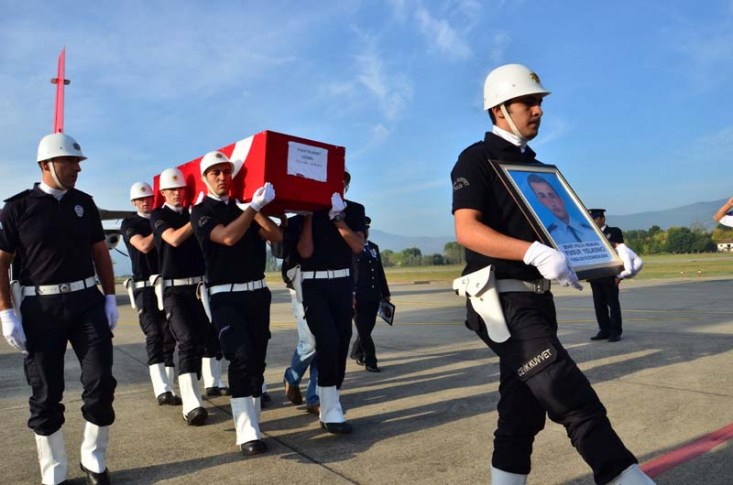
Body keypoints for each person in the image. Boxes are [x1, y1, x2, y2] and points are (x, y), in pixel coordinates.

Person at [450, 64, 654, 484]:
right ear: (500, 108)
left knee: (521, 414)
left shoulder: (538, 169)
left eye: (539, 102)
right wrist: (530, 251)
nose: (538, 110)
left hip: (537, 300)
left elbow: (569, 232)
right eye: (529, 102)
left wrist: (613, 254)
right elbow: (467, 229)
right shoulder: (476, 159)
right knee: (571, 398)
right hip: (501, 301)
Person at [0, 133, 117, 485]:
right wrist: (6, 312)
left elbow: (100, 252)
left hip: (87, 303)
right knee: (46, 391)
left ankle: (93, 458)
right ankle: (54, 471)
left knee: (101, 382)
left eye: (78, 163)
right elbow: (1, 262)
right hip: (40, 308)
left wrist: (110, 297)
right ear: (46, 164)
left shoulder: (84, 204)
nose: (77, 169)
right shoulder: (17, 207)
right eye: (70, 162)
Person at [191, 151, 282, 455]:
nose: (222, 177)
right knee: (240, 357)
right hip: (225, 295)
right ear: (205, 178)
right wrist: (252, 208)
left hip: (257, 293)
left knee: (257, 360)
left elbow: (276, 235)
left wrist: (254, 208)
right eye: (215, 173)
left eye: (226, 172)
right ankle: (246, 431)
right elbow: (228, 237)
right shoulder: (201, 212)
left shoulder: (244, 208)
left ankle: (253, 420)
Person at [284, 171, 365, 434]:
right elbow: (305, 251)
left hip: (342, 283)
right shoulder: (302, 216)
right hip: (313, 285)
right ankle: (329, 411)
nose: (339, 186)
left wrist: (339, 219)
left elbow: (357, 245)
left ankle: (330, 402)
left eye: (343, 182)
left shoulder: (354, 210)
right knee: (326, 340)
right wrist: (309, 216)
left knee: (341, 343)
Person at [150, 167, 217, 426]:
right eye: (172, 190)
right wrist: (196, 218)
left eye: (181, 189)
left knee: (205, 340)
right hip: (174, 290)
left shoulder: (193, 213)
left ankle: (200, 385)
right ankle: (192, 405)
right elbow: (174, 239)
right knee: (186, 340)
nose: (177, 193)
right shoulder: (158, 216)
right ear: (163, 192)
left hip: (199, 289)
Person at [122, 182, 181, 405]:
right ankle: (161, 388)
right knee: (154, 333)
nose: (145, 202)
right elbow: (143, 246)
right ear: (133, 202)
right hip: (144, 287)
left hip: (166, 285)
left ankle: (170, 387)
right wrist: (164, 231)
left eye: (148, 198)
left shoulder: (161, 219)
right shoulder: (130, 223)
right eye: (140, 199)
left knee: (170, 336)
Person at [276, 219, 321, 415]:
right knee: (310, 342)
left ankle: (314, 397)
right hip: (300, 287)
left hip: (328, 286)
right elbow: (279, 251)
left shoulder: (333, 219)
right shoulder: (294, 223)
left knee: (323, 343)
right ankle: (292, 377)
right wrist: (283, 223)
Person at [350, 216, 391, 372]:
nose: (365, 232)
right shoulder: (350, 247)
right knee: (364, 331)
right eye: (362, 229)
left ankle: (356, 352)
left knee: (366, 329)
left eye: (366, 229)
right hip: (357, 297)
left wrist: (385, 293)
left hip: (374, 296)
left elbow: (379, 271)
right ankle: (371, 361)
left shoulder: (373, 248)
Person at [527, 174, 595, 245]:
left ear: (561, 199)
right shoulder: (548, 237)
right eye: (543, 197)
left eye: (552, 195)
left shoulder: (591, 231)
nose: (551, 202)